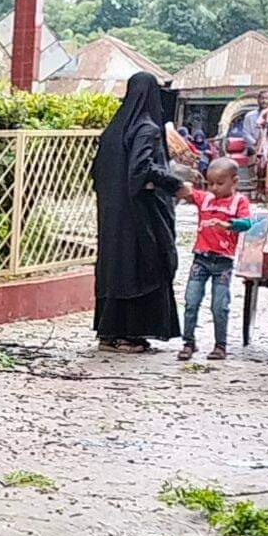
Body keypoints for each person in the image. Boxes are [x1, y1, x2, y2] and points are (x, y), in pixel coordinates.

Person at [92, 72, 185, 353]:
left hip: (111, 217)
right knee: (144, 268)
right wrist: (175, 184)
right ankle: (129, 335)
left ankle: (110, 333)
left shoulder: (114, 130)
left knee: (115, 268)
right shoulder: (147, 129)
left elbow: (97, 171)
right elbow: (140, 169)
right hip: (139, 216)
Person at [175, 157, 251, 361]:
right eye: (210, 183)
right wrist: (185, 181)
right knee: (191, 302)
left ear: (234, 182)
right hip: (200, 259)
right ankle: (188, 342)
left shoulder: (239, 202)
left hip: (223, 262)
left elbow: (247, 223)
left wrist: (228, 225)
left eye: (220, 183)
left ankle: (220, 345)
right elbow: (185, 192)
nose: (214, 188)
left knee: (219, 305)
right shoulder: (205, 198)